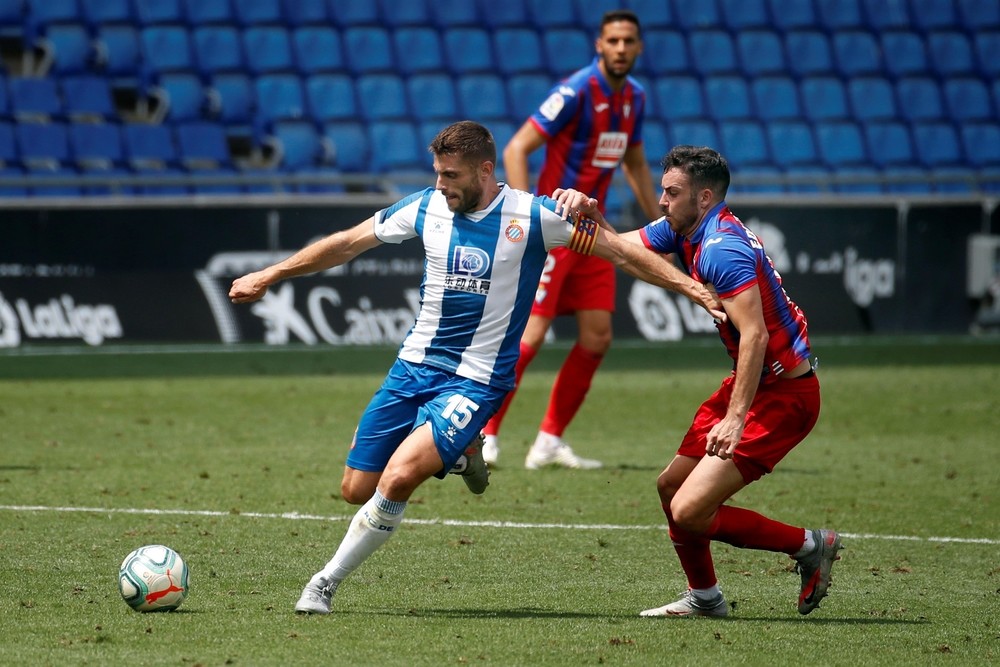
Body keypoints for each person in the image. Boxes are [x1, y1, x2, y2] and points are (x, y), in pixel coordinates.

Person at [228, 121, 722, 615]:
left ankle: (323, 584)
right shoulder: (424, 206)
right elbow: (347, 243)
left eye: (451, 175)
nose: (441, 184)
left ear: (485, 171)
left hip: (477, 379)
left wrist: (692, 289)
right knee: (355, 489)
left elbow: (622, 254)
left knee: (397, 479)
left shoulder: (534, 215)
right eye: (438, 173)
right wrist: (272, 274)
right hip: (412, 368)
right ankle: (462, 454)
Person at [559, 145, 842, 617]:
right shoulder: (684, 227)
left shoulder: (721, 249)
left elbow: (754, 336)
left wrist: (734, 420)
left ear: (704, 197)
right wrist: (590, 215)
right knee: (671, 487)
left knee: (690, 510)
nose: (662, 200)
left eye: (672, 192)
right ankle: (706, 598)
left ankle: (810, 546)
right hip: (749, 386)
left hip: (783, 398)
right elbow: (623, 250)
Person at [482, 9, 662, 470]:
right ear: (599, 45)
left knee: (597, 336)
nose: (621, 48)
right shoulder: (575, 91)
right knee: (530, 336)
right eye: (613, 41)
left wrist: (658, 221)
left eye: (629, 41)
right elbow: (517, 147)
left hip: (594, 232)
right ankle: (484, 434)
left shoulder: (635, 99)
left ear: (639, 47)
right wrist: (524, 214)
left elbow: (636, 163)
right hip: (556, 230)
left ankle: (547, 442)